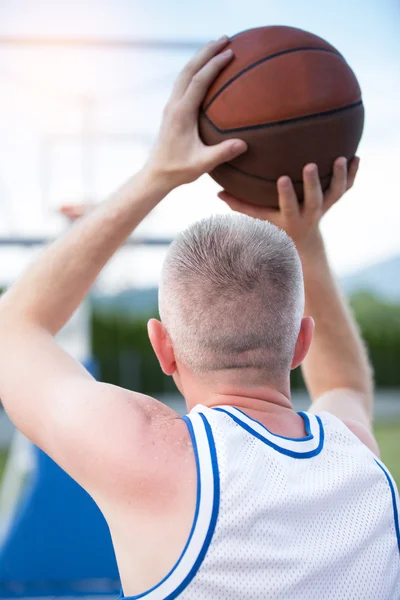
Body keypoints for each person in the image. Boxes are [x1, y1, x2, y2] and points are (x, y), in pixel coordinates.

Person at [0, 37, 398, 600]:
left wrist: (158, 174)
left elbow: (10, 330)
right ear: (299, 343)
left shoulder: (150, 457)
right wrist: (305, 240)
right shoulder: (360, 463)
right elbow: (346, 385)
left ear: (163, 349)